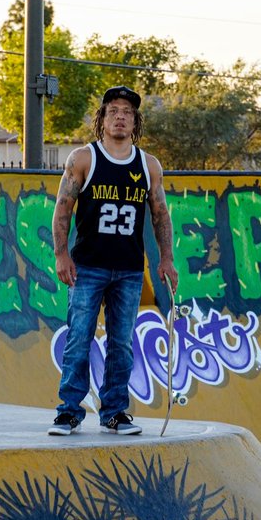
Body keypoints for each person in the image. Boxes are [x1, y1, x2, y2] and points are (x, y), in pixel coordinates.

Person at [49, 85, 178, 435]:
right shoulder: (83, 159)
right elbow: (63, 208)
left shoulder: (148, 165)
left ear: (135, 121)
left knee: (122, 343)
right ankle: (68, 411)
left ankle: (115, 412)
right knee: (79, 337)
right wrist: (61, 254)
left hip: (129, 269)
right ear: (102, 119)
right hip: (87, 266)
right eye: (114, 110)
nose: (120, 116)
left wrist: (166, 259)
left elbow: (160, 214)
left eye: (127, 111)